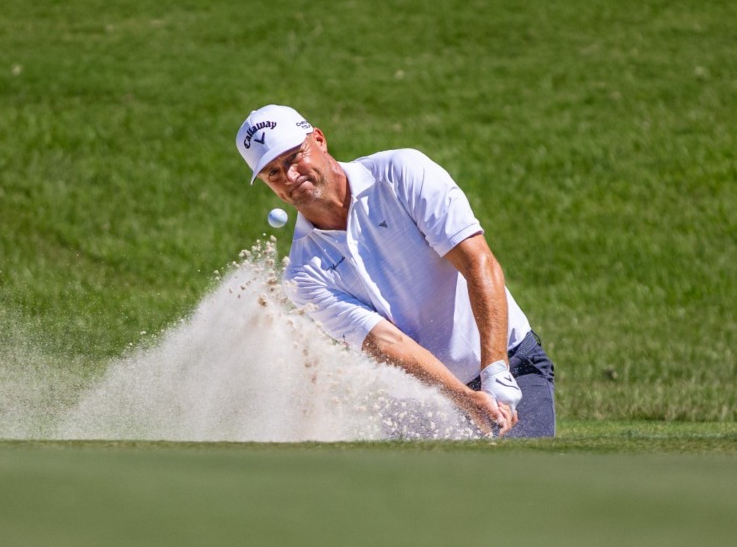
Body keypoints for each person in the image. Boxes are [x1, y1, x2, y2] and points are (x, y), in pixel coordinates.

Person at [235, 104, 556, 437]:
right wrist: (466, 400)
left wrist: (495, 372)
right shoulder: (302, 275)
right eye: (273, 173)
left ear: (318, 139)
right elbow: (387, 343)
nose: (289, 176)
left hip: (511, 362)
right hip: (431, 400)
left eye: (293, 157)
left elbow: (478, 263)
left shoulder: (402, 173)